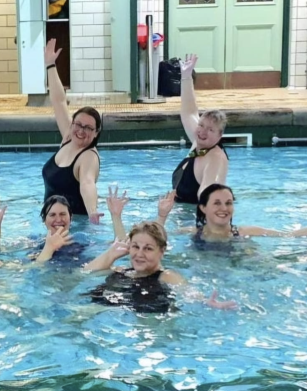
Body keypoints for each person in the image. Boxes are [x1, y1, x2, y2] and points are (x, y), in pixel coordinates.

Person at [82, 221, 237, 313]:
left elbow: (188, 292)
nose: (140, 254)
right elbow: (84, 273)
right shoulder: (122, 270)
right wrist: (111, 254)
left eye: (148, 248)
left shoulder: (167, 276)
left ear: (161, 251)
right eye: (135, 247)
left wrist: (206, 302)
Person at [42, 39, 102, 223]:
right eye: (78, 124)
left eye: (88, 128)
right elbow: (59, 101)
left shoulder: (88, 157)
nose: (81, 131)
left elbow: (87, 183)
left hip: (75, 228)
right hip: (53, 224)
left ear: (96, 132)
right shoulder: (68, 138)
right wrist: (50, 65)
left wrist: (93, 213)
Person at [172, 54, 229, 204]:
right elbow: (189, 112)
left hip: (190, 222)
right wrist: (186, 76)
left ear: (219, 136)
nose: (203, 132)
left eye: (210, 130)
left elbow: (211, 196)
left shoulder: (215, 158)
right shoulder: (199, 142)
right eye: (201, 125)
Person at [170, 183, 307, 241]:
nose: (224, 208)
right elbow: (155, 239)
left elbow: (288, 236)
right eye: (217, 203)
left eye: (228, 203)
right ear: (203, 208)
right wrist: (162, 214)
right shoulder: (190, 232)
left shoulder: (245, 232)